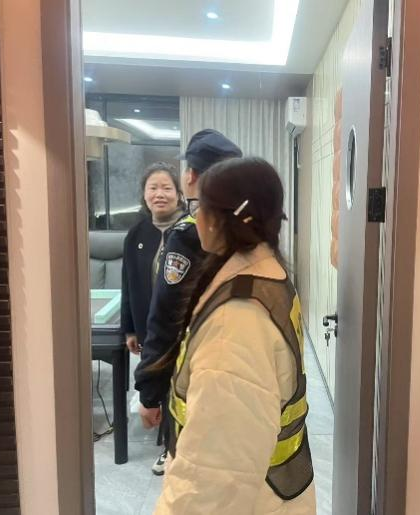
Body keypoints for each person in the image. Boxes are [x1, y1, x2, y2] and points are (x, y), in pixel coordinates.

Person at [154, 157, 316, 514]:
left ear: (219, 219)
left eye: (199, 207)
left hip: (253, 500)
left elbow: (214, 475)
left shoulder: (236, 323)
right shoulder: (265, 275)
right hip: (268, 491)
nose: (196, 218)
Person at [134, 129, 242, 475]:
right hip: (240, 374)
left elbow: (166, 319)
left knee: (190, 469)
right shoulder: (249, 229)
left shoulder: (190, 235)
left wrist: (149, 393)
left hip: (195, 374)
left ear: (191, 177)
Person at [121, 162, 184, 357]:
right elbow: (128, 284)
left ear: (178, 194)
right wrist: (129, 329)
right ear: (144, 194)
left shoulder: (191, 230)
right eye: (153, 188)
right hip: (148, 331)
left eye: (167, 188)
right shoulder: (136, 234)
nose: (159, 194)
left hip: (184, 331)